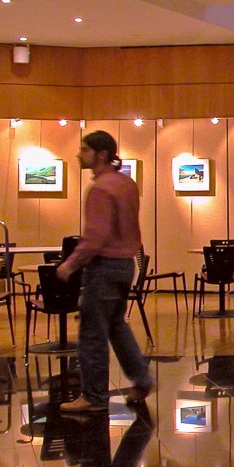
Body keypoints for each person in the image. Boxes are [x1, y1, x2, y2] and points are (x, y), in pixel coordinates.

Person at [56, 130, 152, 413]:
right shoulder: (127, 184)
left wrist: (69, 264)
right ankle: (142, 379)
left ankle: (94, 396)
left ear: (100, 154)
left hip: (104, 267)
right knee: (116, 325)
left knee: (92, 332)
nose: (78, 155)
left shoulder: (100, 189)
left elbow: (95, 237)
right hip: (126, 265)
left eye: (84, 150)